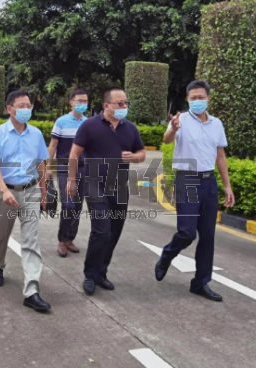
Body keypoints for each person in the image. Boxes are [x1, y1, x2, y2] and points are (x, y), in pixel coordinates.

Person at [155, 80, 235, 302]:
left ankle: (200, 283)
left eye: (201, 97)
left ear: (208, 98)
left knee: (208, 236)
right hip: (187, 179)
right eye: (193, 98)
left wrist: (227, 186)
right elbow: (167, 139)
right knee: (187, 232)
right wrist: (173, 128)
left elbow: (220, 156)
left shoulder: (217, 124)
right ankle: (167, 256)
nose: (197, 101)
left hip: (209, 182)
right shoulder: (180, 120)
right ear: (187, 99)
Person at [68, 87, 146, 295]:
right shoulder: (90, 126)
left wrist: (134, 157)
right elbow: (74, 154)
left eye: (126, 103)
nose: (124, 107)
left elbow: (142, 154)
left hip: (120, 187)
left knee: (114, 232)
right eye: (119, 103)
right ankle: (90, 275)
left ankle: (102, 273)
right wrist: (72, 180)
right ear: (106, 106)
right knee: (101, 230)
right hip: (95, 184)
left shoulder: (131, 128)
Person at [0, 90, 51, 312]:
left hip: (31, 191)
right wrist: (4, 190)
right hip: (7, 192)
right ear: (10, 109)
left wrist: (44, 192)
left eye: (28, 105)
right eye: (21, 106)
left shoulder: (37, 134)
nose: (26, 109)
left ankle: (31, 291)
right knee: (0, 235)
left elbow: (41, 164)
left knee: (31, 240)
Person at [46, 89, 88, 258]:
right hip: (64, 167)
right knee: (68, 204)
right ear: (71, 103)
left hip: (83, 167)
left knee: (77, 206)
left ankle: (70, 239)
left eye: (85, 101)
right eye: (79, 101)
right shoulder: (61, 122)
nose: (82, 104)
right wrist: (49, 166)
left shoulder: (88, 123)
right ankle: (62, 240)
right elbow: (53, 145)